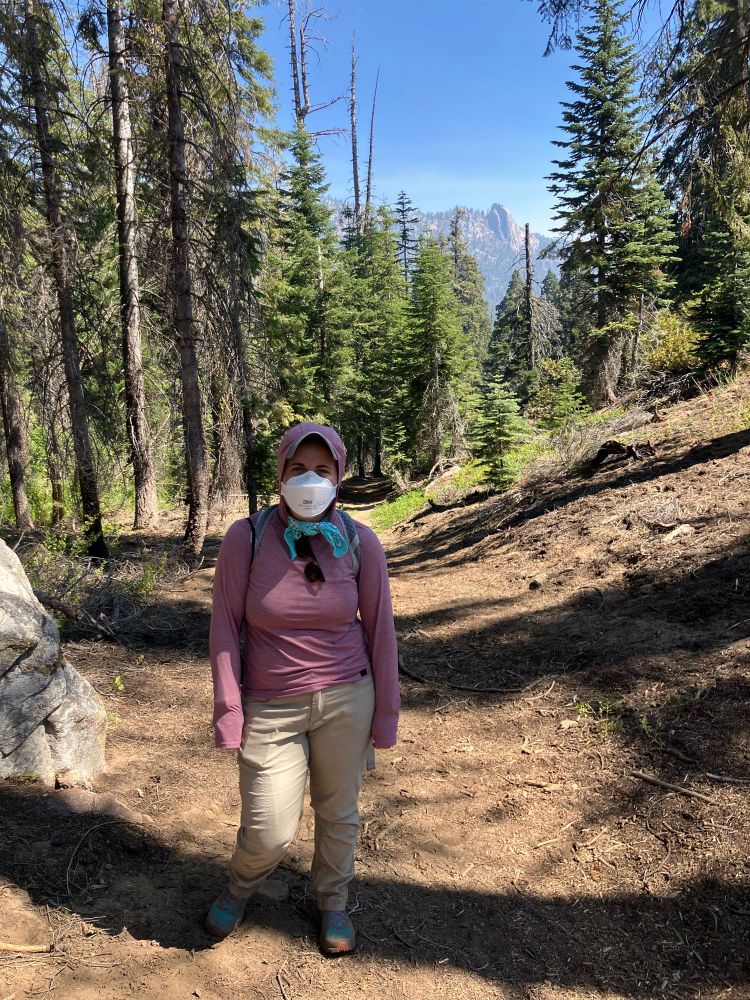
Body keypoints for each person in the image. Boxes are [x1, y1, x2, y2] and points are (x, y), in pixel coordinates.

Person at [206, 422, 400, 954]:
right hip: (270, 704)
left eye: (321, 470)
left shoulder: (360, 542)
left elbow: (380, 629)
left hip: (347, 697)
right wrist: (229, 709)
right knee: (269, 828)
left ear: (338, 477)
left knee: (339, 813)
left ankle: (332, 901)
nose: (309, 480)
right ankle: (241, 885)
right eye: (297, 469)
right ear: (280, 475)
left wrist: (385, 714)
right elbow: (224, 627)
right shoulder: (246, 538)